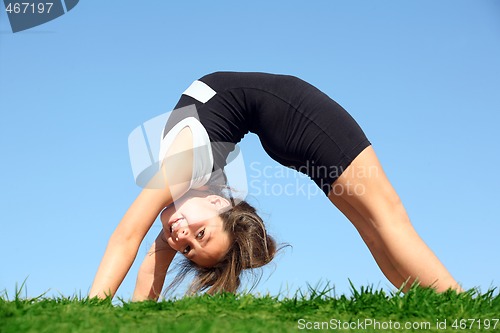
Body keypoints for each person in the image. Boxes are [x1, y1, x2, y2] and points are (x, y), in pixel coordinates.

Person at [89, 72, 462, 301]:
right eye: (196, 240)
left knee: (377, 224)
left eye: (192, 241)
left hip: (291, 115)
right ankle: (452, 306)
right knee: (382, 219)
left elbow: (130, 242)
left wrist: (102, 317)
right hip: (292, 119)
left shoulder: (182, 177)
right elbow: (140, 253)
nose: (181, 236)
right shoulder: (190, 187)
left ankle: (441, 304)